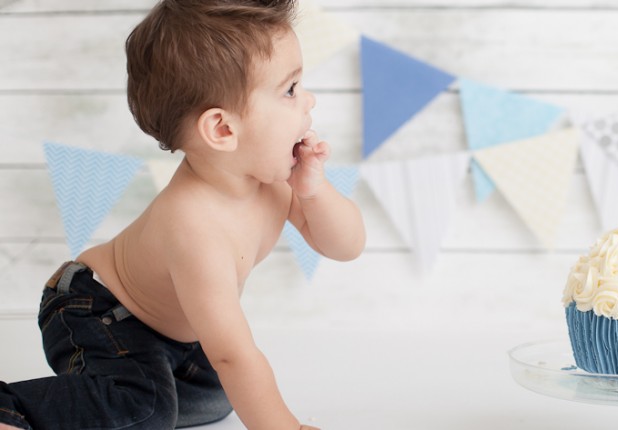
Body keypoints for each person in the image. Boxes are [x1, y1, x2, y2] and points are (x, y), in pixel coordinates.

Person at [0, 0, 365, 428]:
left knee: (216, 400)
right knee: (146, 411)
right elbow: (232, 352)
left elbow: (345, 246)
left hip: (172, 335)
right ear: (223, 130)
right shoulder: (194, 225)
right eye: (290, 89)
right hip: (96, 310)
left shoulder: (276, 180)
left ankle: (130, 387)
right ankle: (14, 407)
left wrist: (316, 192)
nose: (309, 100)